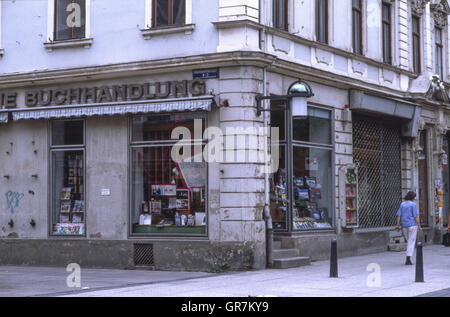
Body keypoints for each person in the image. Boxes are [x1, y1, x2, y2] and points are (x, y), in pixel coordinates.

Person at [396, 191, 422, 265]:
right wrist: (419, 225)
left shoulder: (402, 204)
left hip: (404, 225)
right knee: (411, 242)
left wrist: (397, 226)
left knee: (408, 241)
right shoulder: (413, 205)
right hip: (412, 225)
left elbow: (399, 215)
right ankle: (408, 258)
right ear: (413, 197)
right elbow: (415, 216)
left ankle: (408, 256)